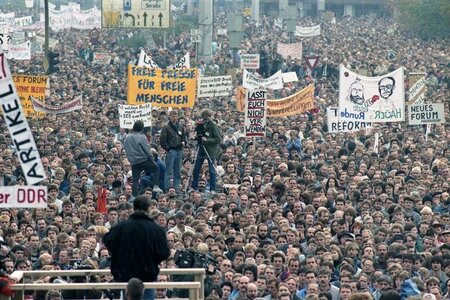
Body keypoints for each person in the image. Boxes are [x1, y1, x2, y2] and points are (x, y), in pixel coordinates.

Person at [104, 195, 170, 300]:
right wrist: (152, 260)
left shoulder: (120, 227)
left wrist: (120, 255)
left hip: (125, 274)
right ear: (149, 208)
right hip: (147, 275)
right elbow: (164, 252)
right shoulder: (156, 229)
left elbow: (108, 240)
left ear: (134, 208)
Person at [123, 120, 161, 196]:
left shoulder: (127, 137)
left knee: (135, 180)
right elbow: (146, 149)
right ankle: (156, 186)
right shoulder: (141, 136)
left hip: (133, 162)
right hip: (143, 159)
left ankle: (134, 195)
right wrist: (151, 158)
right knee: (156, 169)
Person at [191, 109, 221, 192]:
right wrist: (195, 137)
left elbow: (218, 139)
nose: (205, 119)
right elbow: (199, 134)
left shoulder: (213, 125)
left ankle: (212, 188)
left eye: (206, 117)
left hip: (210, 150)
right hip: (201, 148)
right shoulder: (200, 124)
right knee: (196, 168)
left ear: (209, 117)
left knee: (211, 170)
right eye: (203, 117)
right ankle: (194, 187)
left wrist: (207, 140)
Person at [160, 109, 187, 192]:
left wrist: (183, 143)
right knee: (168, 170)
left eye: (176, 116)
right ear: (169, 117)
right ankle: (167, 188)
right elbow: (162, 141)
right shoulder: (166, 127)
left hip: (179, 150)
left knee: (177, 171)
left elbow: (184, 138)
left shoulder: (181, 127)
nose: (174, 118)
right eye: (173, 116)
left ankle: (176, 188)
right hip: (171, 150)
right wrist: (168, 149)